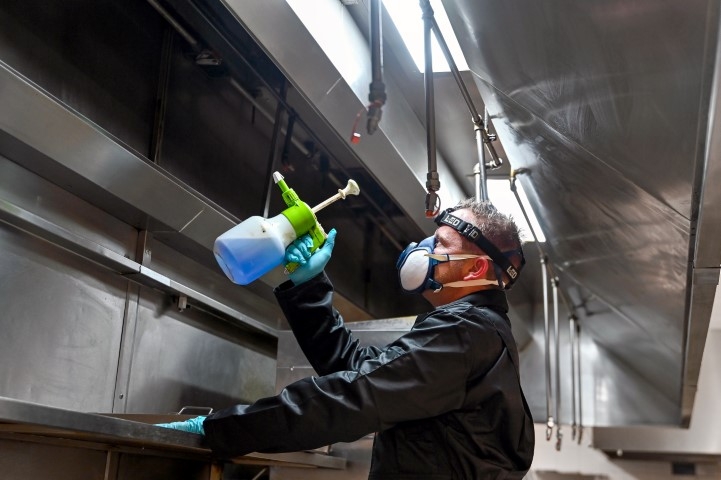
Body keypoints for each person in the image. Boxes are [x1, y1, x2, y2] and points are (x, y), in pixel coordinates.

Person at [157, 198, 535, 479]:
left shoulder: (465, 331)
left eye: (440, 244)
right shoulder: (474, 330)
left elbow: (353, 398)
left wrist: (217, 428)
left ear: (475, 269)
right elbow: (358, 373)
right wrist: (309, 287)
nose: (422, 249)